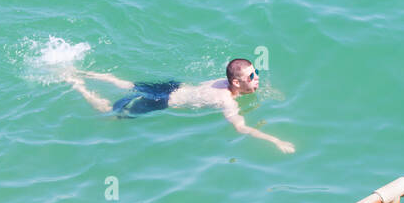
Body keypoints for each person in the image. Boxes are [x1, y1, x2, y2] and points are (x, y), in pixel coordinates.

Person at [66, 58, 296, 153]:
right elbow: (241, 128)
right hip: (163, 101)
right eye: (251, 77)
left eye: (256, 73)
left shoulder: (221, 82)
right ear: (236, 82)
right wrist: (276, 140)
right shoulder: (226, 100)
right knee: (110, 113)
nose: (257, 78)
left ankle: (83, 71)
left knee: (127, 84)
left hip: (174, 87)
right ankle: (77, 83)